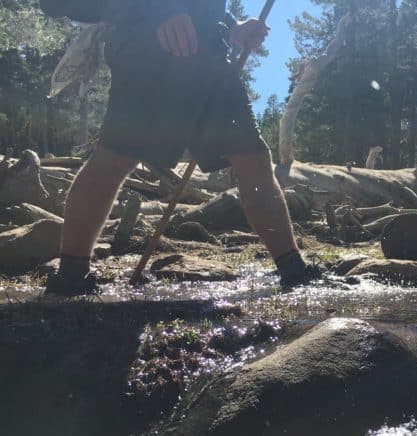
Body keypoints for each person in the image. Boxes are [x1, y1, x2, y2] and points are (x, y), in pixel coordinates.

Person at [46, 0, 320, 296]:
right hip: (149, 47)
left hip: (209, 53)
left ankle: (295, 272)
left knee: (252, 157)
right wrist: (163, 10)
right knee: (116, 157)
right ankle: (71, 277)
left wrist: (232, 26)